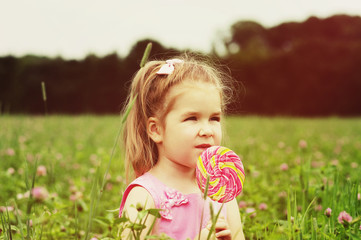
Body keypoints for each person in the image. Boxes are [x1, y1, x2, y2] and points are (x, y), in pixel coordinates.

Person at [119, 54, 245, 240]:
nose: (207, 130)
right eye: (191, 118)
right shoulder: (145, 195)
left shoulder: (222, 192)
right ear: (156, 130)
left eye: (214, 119)